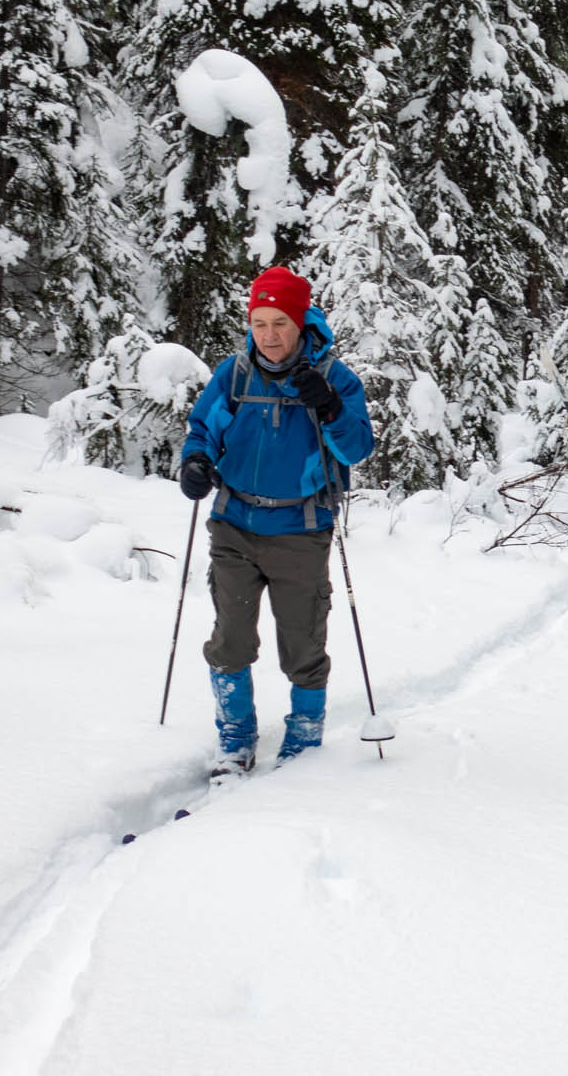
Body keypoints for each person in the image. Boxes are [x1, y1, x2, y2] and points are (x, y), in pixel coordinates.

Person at [177, 266, 374, 777]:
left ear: (300, 321)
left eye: (279, 323)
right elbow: (203, 428)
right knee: (230, 639)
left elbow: (357, 448)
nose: (268, 335)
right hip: (235, 524)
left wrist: (329, 408)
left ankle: (304, 737)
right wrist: (195, 461)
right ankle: (235, 738)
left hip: (301, 531)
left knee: (303, 644)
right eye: (259, 323)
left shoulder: (334, 378)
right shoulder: (236, 372)